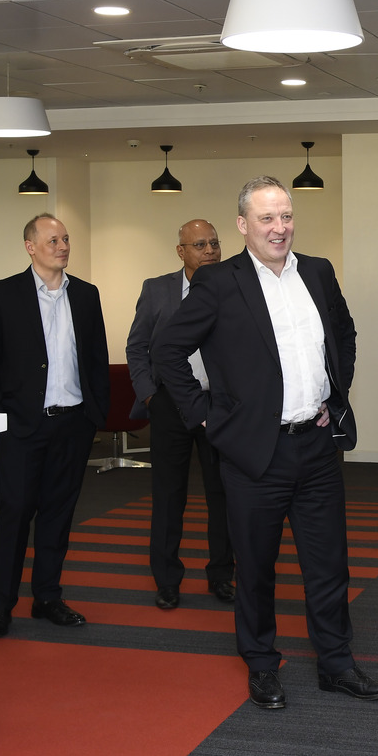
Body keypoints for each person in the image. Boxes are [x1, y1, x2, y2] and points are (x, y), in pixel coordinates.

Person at [152, 177, 378, 710]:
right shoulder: (218, 281)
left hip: (317, 445)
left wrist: (335, 392)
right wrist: (206, 417)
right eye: (266, 218)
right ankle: (261, 664)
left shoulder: (318, 272)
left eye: (286, 216)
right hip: (254, 453)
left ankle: (336, 663)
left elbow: (344, 334)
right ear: (243, 225)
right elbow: (167, 349)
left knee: (329, 565)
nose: (279, 228)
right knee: (255, 568)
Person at [0, 214, 109, 639]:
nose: (63, 246)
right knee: (15, 514)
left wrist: (95, 415)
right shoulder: (2, 294)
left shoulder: (85, 294)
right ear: (30, 246)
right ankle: (0, 606)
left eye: (65, 239)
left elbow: (96, 359)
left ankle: (48, 596)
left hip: (73, 425)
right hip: (22, 425)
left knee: (58, 514)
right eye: (53, 240)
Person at [125, 219, 235, 609]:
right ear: (181, 251)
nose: (210, 251)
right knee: (169, 495)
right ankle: (167, 580)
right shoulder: (157, 290)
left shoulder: (235, 287)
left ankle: (222, 575)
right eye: (200, 245)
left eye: (214, 244)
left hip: (219, 406)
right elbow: (137, 347)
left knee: (223, 494)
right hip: (169, 405)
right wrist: (149, 396)